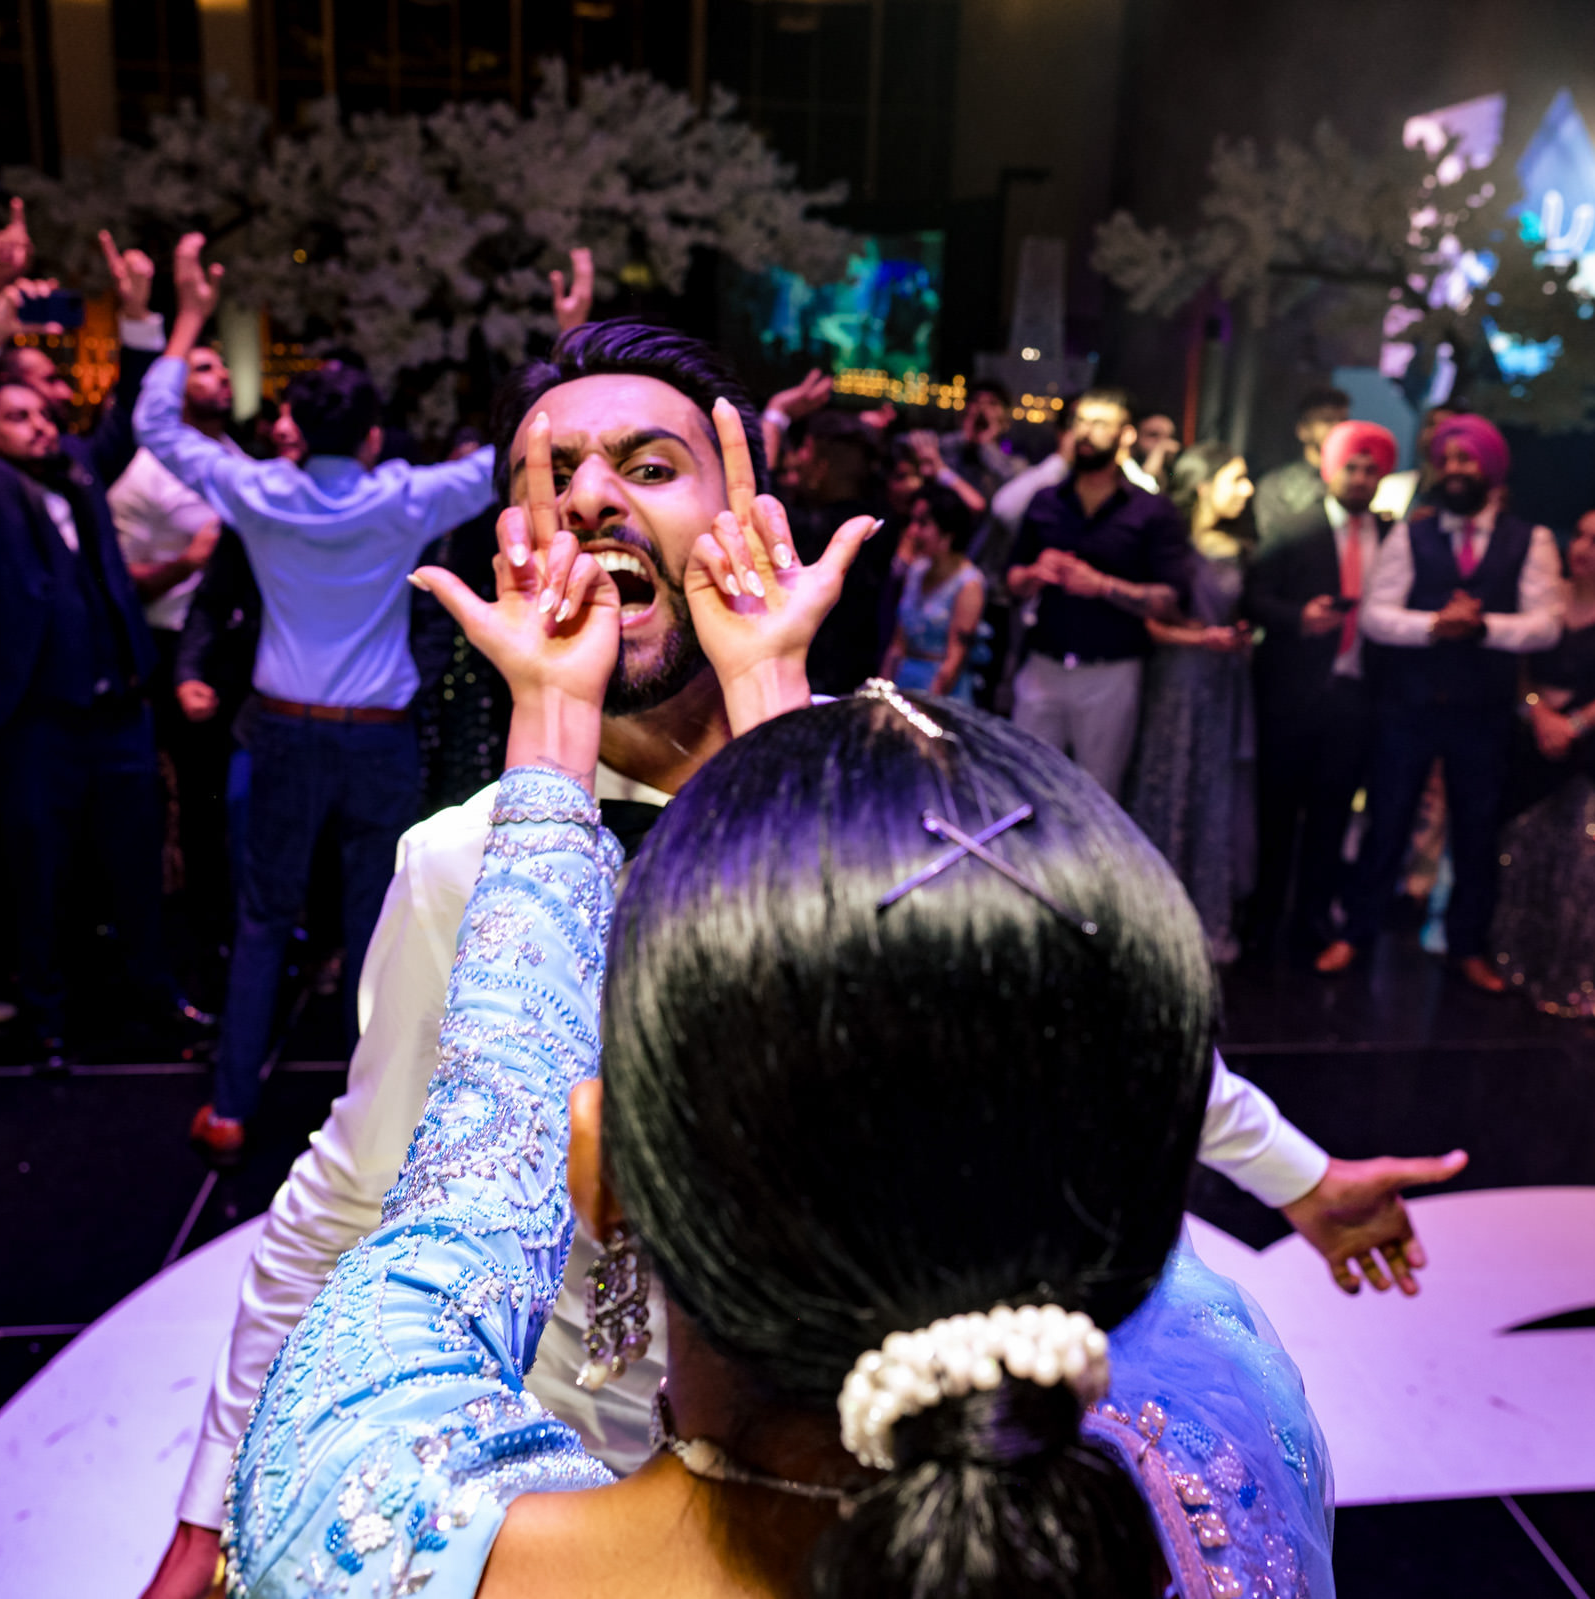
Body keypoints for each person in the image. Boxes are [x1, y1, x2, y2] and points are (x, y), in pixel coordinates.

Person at [135, 323, 1466, 1599]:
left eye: (648, 465)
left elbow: (1078, 1050)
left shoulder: (901, 786)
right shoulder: (456, 865)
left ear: (744, 513)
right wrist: (206, 1506)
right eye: (551, 478)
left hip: (906, 1450)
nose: (595, 497)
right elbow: (351, 1190)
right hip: (581, 1470)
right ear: (514, 545)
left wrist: (1305, 1178)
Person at [226, 539, 1341, 1597]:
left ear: (602, 1172)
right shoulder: (1230, 1443)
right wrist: (796, 783)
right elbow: (1067, 1068)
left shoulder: (360, 1520)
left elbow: (461, 1202)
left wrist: (555, 726)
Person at [138, 235, 499, 1159]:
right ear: (373, 435)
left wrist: (183, 316)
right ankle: (370, 1124)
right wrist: (571, 335)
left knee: (263, 920)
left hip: (287, 737)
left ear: (294, 423)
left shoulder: (260, 492)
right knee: (372, 927)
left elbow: (157, 429)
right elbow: (512, 460)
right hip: (377, 739)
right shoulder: (405, 498)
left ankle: (227, 1107)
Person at [0, 244, 204, 1070]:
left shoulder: (77, 468)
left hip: (118, 713)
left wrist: (142, 312)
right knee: (39, 873)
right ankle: (45, 1013)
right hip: (36, 721)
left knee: (137, 865)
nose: (40, 425)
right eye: (18, 418)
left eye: (41, 415)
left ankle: (155, 990)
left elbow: (125, 415)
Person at [1322, 414, 1563, 993]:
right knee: (1387, 823)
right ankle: (1356, 932)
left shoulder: (1531, 540)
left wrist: (1482, 629)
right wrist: (1436, 625)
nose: (1454, 471)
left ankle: (1468, 946)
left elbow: (1547, 625)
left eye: (1466, 461)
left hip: (1482, 710)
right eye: (1447, 460)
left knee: (1477, 832)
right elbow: (1377, 616)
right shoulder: (1411, 534)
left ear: (1490, 469)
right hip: (1410, 705)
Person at [1486, 508, 1595, 1017]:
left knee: (1583, 862)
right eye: (1580, 536)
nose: (1582, 548)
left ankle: (1574, 982)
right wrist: (1541, 715)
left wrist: (1575, 725)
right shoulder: (1544, 599)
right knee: (1523, 850)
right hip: (1533, 743)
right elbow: (1516, 667)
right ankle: (1515, 965)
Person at [108, 341, 238, 972]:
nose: (221, 378)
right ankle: (187, 934)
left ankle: (224, 921)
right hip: (170, 646)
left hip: (230, 647)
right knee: (191, 797)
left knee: (223, 794)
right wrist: (188, 562)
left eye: (221, 368)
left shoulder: (237, 458)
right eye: (204, 369)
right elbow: (120, 580)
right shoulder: (146, 472)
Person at [1247, 421, 1392, 963]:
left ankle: (1313, 920)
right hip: (1290, 692)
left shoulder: (1390, 535)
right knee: (1276, 814)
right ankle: (1264, 920)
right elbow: (1253, 596)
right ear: (1332, 471)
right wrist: (1297, 618)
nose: (1359, 478)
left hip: (1355, 696)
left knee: (1332, 817)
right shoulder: (1294, 526)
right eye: (1351, 468)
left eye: (1370, 469)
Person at [1005, 388, 1193, 797]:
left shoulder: (1151, 511)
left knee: (1096, 793)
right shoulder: (1046, 501)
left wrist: (1103, 586)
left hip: (1110, 672)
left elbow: (1172, 598)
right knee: (1023, 787)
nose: (1086, 434)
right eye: (1080, 423)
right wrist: (1036, 573)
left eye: (1100, 424)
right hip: (1043, 663)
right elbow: (1010, 579)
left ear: (1125, 436)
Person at [1125, 443, 1257, 962]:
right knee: (1167, 782)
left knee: (1210, 791)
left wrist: (1240, 636)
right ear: (1204, 485)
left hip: (1222, 682)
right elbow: (1150, 624)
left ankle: (1203, 917)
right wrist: (1202, 640)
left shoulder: (1239, 547)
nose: (1246, 492)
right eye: (1237, 479)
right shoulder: (1168, 549)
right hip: (1176, 680)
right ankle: (1151, 915)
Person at [878, 481, 985, 704]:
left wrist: (926, 709)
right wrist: (881, 694)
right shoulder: (916, 570)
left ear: (948, 532)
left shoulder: (968, 584)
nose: (912, 531)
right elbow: (898, 644)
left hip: (941, 693)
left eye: (923, 523)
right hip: (904, 681)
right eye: (912, 521)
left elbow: (955, 659)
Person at [1252, 385, 1349, 551]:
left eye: (1343, 421)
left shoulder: (1354, 483)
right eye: (1327, 420)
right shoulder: (1276, 485)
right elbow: (1272, 542)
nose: (1337, 428)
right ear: (1303, 430)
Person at [936, 378, 1022, 497]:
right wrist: (967, 436)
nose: (982, 408)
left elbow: (1007, 488)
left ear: (1006, 421)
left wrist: (986, 443)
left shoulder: (1016, 464)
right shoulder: (948, 450)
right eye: (976, 401)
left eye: (992, 403)